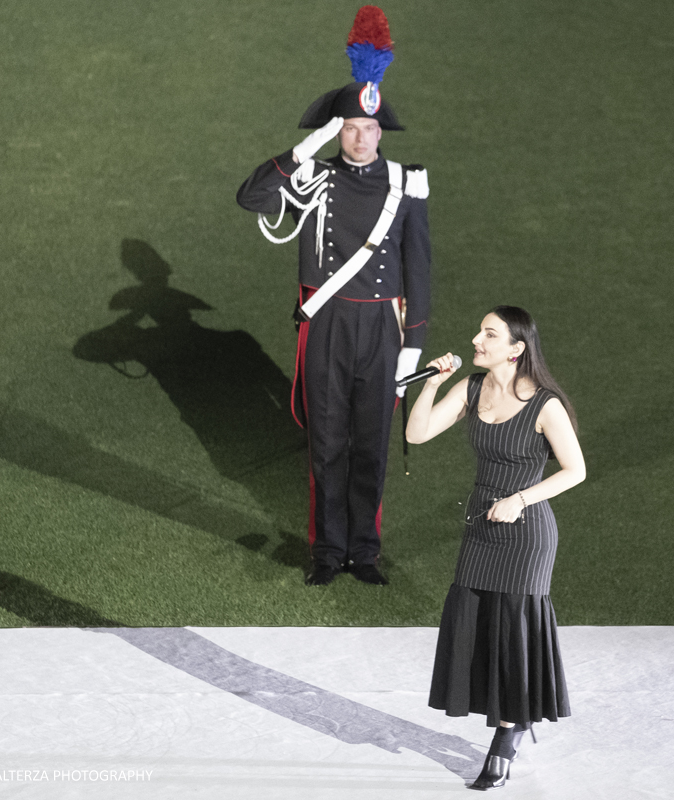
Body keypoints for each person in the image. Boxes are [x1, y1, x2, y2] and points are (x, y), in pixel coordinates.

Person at [235, 7, 431, 586]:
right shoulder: (313, 178)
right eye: (349, 128)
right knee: (326, 443)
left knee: (371, 446)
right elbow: (250, 198)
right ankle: (326, 553)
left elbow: (418, 265)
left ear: (381, 132)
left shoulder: (405, 182)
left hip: (380, 332)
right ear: (336, 131)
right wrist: (303, 149)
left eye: (369, 129)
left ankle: (364, 553)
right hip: (325, 327)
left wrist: (412, 345)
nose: (361, 138)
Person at [406, 306, 586, 790]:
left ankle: (507, 736)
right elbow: (416, 433)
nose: (475, 340)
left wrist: (520, 499)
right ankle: (510, 718)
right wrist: (431, 384)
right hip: (481, 528)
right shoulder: (470, 388)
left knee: (513, 628)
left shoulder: (544, 405)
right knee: (477, 619)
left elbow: (575, 471)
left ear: (516, 349)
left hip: (526, 534)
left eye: (489, 334)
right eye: (479, 332)